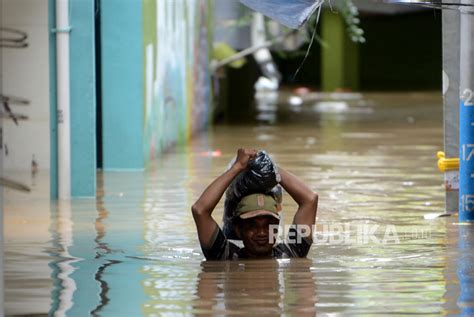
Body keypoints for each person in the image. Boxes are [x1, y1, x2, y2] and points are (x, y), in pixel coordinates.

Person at [192, 148, 318, 260]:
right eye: (252, 226)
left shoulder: (290, 254)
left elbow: (310, 199)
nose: (262, 233)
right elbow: (200, 210)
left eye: (268, 225)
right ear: (239, 229)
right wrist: (237, 167)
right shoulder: (227, 257)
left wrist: (270, 167)